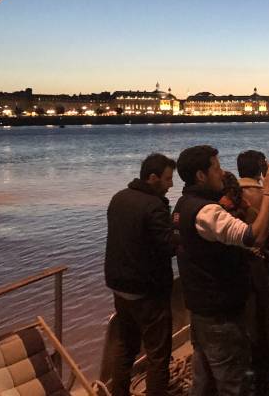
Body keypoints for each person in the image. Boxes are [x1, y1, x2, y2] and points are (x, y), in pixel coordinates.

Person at [172, 145, 269, 396]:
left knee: (205, 382)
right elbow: (254, 236)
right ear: (201, 175)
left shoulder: (182, 205)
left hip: (201, 309)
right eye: (217, 168)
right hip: (220, 315)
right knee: (234, 385)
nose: (222, 173)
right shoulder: (207, 211)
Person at [105, 153, 178, 396]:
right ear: (153, 178)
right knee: (158, 354)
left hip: (119, 286)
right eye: (168, 179)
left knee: (125, 347)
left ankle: (119, 392)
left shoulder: (119, 198)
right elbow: (168, 246)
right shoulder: (154, 206)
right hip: (147, 290)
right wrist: (182, 233)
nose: (171, 185)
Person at [219, 170, 269, 396]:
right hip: (257, 273)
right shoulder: (257, 200)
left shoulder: (219, 215)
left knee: (248, 339)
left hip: (237, 286)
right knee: (262, 330)